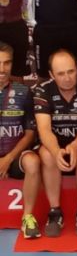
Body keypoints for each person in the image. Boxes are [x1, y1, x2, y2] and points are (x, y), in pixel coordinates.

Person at [34, 49, 77, 237]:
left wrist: (74, 146)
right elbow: (44, 129)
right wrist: (57, 151)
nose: (67, 78)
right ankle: (55, 212)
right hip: (53, 143)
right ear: (51, 74)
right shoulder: (42, 90)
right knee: (47, 154)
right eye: (61, 73)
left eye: (71, 71)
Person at [0, 41, 41, 239]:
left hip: (15, 156)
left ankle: (28, 218)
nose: (2, 69)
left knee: (32, 162)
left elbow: (30, 133)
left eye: (7, 63)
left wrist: (8, 159)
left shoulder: (24, 92)